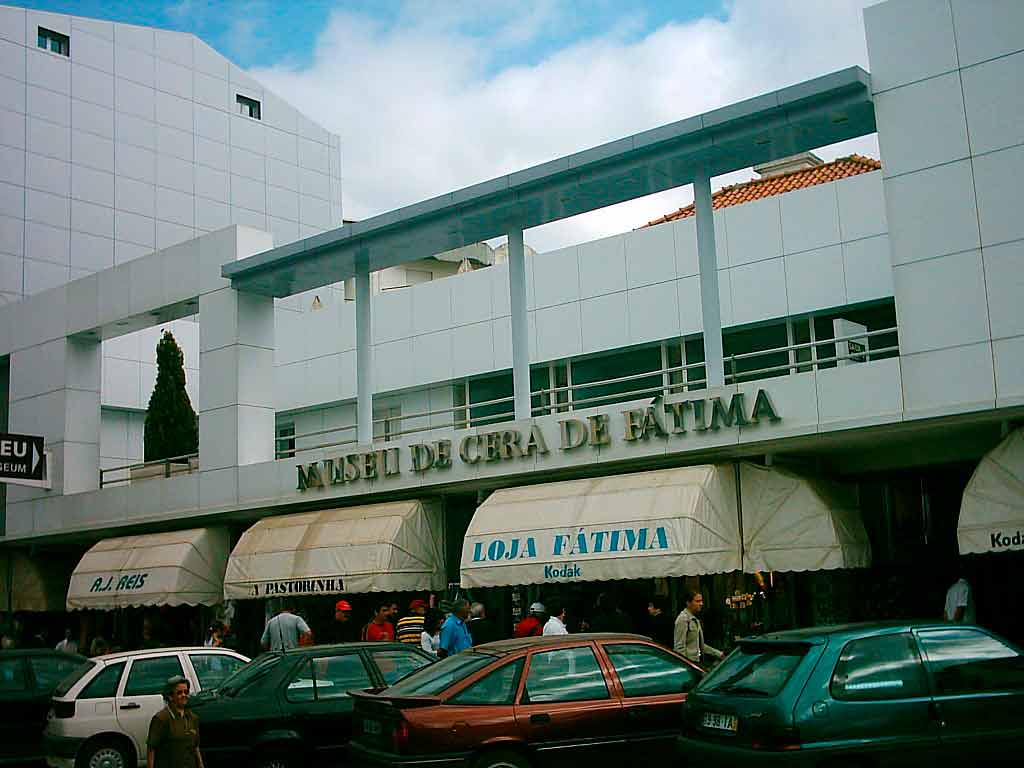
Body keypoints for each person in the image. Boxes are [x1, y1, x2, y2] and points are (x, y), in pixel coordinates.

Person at [147, 675, 203, 768]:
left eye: (186, 692)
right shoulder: (161, 719)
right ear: (170, 696)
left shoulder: (192, 718)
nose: (184, 695)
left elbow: (196, 747)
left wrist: (200, 765)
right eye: (179, 693)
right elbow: (151, 748)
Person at [674, 589, 722, 666]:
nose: (701, 604)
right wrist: (686, 666)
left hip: (698, 662)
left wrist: (718, 654)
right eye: (697, 601)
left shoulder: (694, 618)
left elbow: (699, 644)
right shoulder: (683, 619)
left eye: (701, 601)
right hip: (690, 663)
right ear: (688, 603)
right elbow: (679, 648)